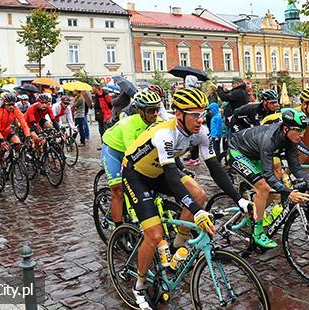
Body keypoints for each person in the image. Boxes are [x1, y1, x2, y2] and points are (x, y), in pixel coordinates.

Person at [122, 88, 252, 308]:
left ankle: (176, 248)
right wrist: (197, 212)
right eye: (194, 114)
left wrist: (239, 199)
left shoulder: (200, 132)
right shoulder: (165, 134)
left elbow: (215, 168)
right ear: (179, 113)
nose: (200, 119)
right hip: (137, 175)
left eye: (202, 114)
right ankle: (140, 285)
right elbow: (172, 177)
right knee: (153, 236)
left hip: (161, 171)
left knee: (199, 193)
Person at [227, 108, 309, 248]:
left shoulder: (290, 139)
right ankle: (258, 232)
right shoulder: (269, 139)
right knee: (263, 187)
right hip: (237, 150)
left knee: (275, 183)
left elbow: (296, 169)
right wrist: (288, 192)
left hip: (254, 153)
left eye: (303, 131)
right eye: (298, 131)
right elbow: (268, 176)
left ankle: (257, 211)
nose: (302, 135)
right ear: (286, 128)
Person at [100, 90, 163, 231]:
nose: (155, 114)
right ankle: (118, 231)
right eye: (151, 110)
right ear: (140, 111)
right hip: (113, 150)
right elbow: (132, 153)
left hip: (130, 151)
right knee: (118, 190)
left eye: (157, 110)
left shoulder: (158, 122)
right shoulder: (128, 124)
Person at [0, 94, 36, 191]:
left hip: (7, 131)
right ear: (4, 104)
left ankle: (10, 159)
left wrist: (28, 136)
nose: (11, 106)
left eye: (13, 104)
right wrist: (2, 140)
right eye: (9, 105)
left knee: (18, 143)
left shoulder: (15, 109)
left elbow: (23, 123)